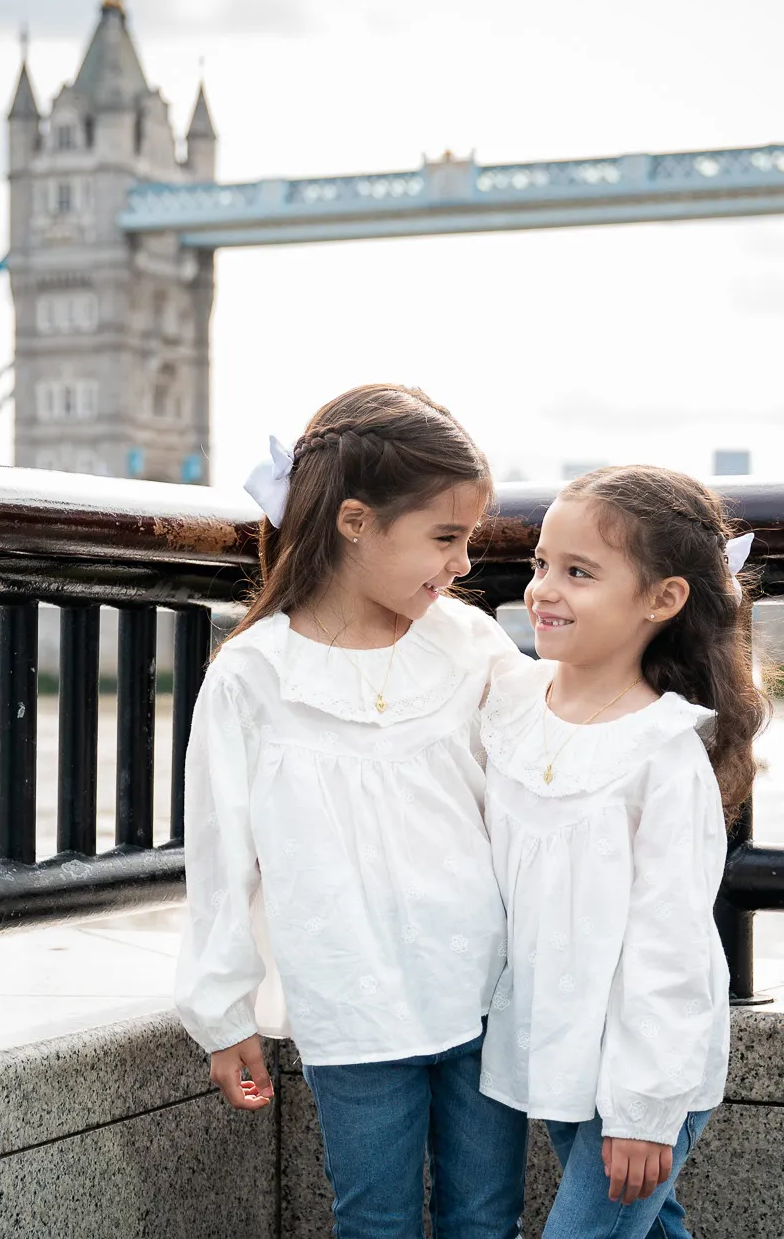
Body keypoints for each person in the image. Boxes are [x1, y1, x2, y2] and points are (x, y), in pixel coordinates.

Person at [174, 384, 530, 1239]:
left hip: (486, 983)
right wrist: (223, 1015)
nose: (464, 564)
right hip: (352, 999)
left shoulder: (469, 644)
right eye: (445, 537)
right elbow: (221, 862)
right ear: (356, 521)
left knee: (488, 1217)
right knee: (374, 1219)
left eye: (468, 539)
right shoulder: (255, 675)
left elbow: (541, 784)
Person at [477, 464, 767, 1239]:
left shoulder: (662, 754)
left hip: (643, 1069)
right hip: (555, 1044)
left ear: (662, 599)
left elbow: (670, 944)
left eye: (579, 572)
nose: (544, 588)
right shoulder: (509, 705)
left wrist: (645, 1108)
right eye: (541, 564)